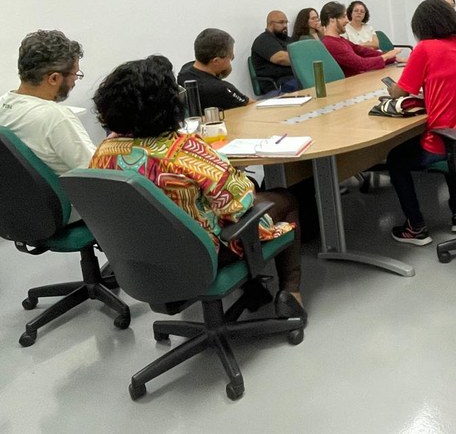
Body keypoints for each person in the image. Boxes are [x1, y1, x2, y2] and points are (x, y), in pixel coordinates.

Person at [90, 55, 305, 320]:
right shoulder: (184, 150)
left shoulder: (103, 153)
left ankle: (252, 288)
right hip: (199, 255)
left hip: (140, 258)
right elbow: (239, 204)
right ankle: (290, 293)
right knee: (284, 198)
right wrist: (231, 175)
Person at [385, 0, 456, 245]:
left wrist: (392, 89)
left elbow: (401, 91)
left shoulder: (426, 49)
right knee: (451, 142)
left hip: (445, 143)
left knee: (395, 159)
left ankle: (416, 227)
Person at [0, 29, 95, 177]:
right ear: (54, 79)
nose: (75, 80)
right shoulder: (56, 118)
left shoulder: (3, 104)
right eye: (75, 74)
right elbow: (98, 173)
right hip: (65, 199)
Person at [177, 28, 250, 110]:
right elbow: (250, 105)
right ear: (216, 61)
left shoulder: (185, 71)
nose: (230, 62)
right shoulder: (220, 89)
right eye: (230, 58)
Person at [320, 2, 397, 76]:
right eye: (343, 17)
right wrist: (385, 57)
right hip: (351, 84)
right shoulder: (331, 43)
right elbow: (360, 63)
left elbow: (363, 51)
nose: (347, 20)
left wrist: (393, 58)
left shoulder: (340, 40)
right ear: (332, 19)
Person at [251, 10, 297, 92]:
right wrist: (304, 59)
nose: (285, 25)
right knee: (307, 84)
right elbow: (281, 59)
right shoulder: (263, 40)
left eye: (286, 22)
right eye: (281, 22)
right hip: (277, 83)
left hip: (293, 78)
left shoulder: (288, 39)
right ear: (270, 24)